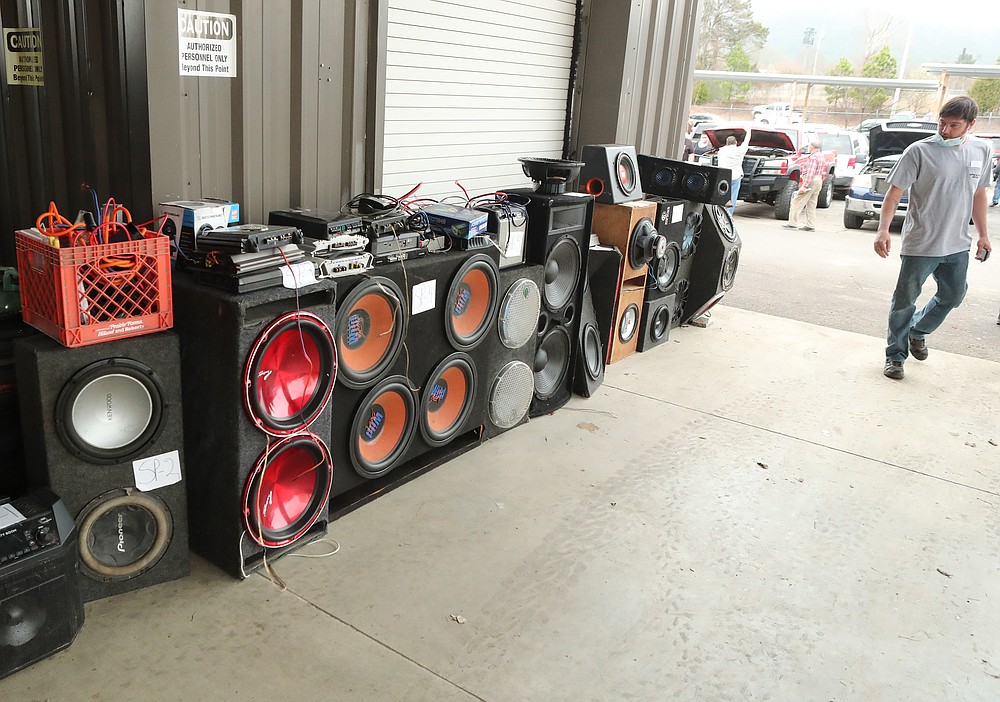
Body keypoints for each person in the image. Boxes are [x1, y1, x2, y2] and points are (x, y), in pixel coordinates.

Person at [874, 95, 993, 380]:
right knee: (904, 301)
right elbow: (894, 194)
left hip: (956, 244)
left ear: (970, 125)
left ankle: (918, 331)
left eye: (954, 125)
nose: (945, 131)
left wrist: (983, 235)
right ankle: (895, 356)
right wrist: (882, 229)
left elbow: (979, 194)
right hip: (921, 242)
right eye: (942, 123)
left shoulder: (981, 150)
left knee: (953, 295)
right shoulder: (919, 151)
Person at [782, 138, 824, 232]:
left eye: (809, 145)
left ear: (812, 146)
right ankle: (810, 225)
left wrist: (804, 186)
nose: (808, 147)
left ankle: (792, 223)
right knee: (811, 203)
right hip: (818, 180)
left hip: (811, 181)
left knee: (797, 201)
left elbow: (810, 173)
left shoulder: (813, 157)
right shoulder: (821, 156)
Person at [715, 126, 752, 216]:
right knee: (733, 197)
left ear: (726, 143)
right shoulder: (740, 150)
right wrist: (749, 131)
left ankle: (719, 213)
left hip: (723, 176)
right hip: (735, 176)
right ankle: (728, 215)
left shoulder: (721, 151)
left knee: (722, 195)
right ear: (736, 143)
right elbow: (746, 142)